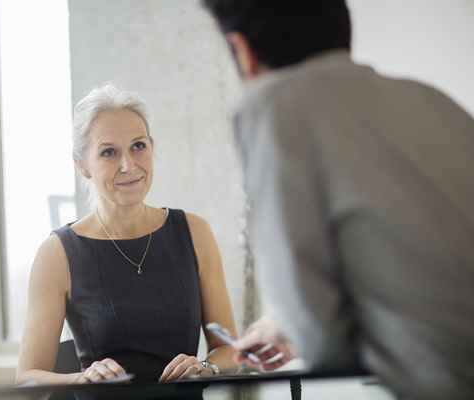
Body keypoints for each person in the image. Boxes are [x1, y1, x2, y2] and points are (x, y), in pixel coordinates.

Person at [201, 1, 474, 399]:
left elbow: (325, 346)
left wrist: (298, 327)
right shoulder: (431, 101)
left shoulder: (274, 106)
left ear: (241, 51)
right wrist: (287, 326)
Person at [16, 83, 238, 385]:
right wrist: (82, 379)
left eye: (138, 146)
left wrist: (205, 366)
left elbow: (229, 350)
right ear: (82, 165)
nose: (128, 165)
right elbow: (27, 378)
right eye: (108, 152)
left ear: (152, 147)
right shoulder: (57, 253)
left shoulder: (195, 233)